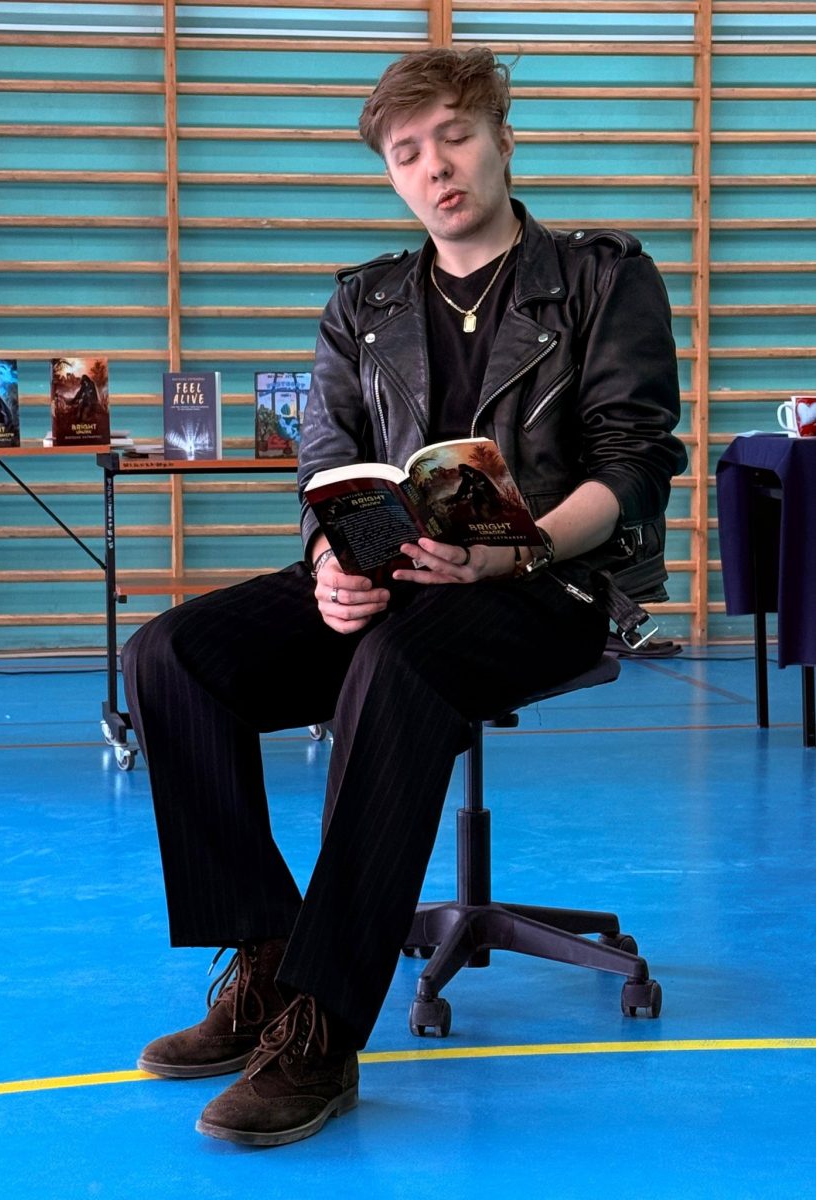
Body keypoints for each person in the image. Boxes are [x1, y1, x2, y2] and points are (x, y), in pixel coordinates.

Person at [121, 46, 687, 1149]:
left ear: (503, 142)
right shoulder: (363, 302)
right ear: (391, 172)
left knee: (399, 663)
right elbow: (327, 461)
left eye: (457, 137)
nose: (437, 166)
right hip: (392, 578)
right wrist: (332, 563)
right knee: (169, 656)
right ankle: (267, 957)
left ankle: (324, 1025)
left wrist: (516, 550)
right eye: (408, 151)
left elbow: (633, 468)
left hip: (548, 582)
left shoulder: (604, 279)